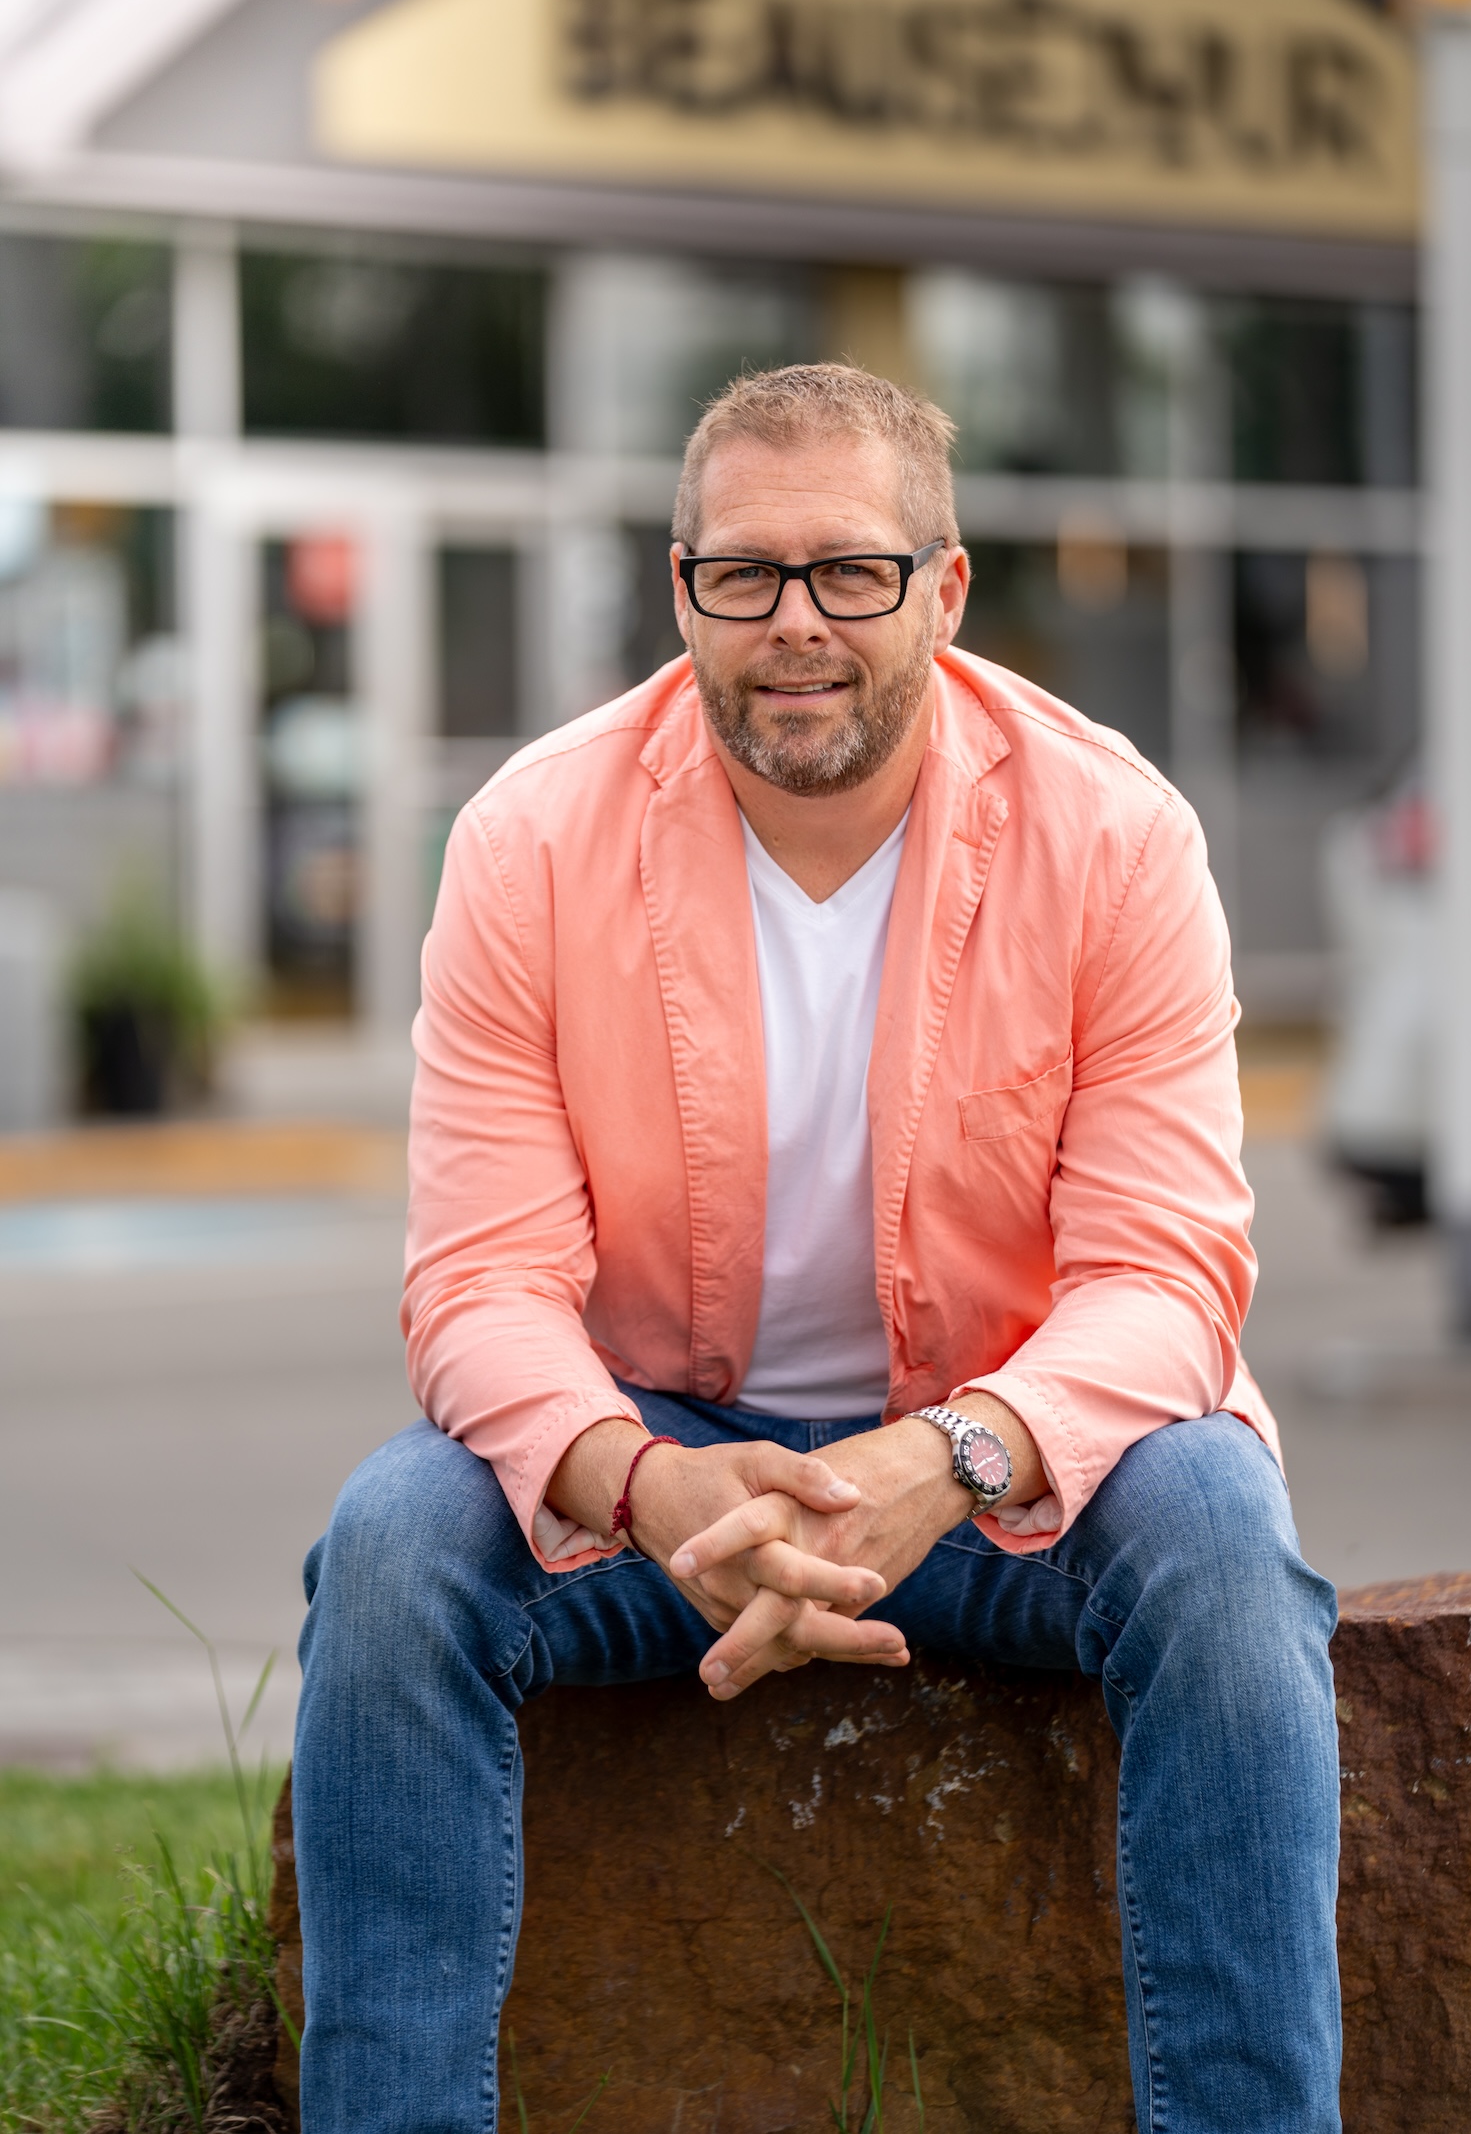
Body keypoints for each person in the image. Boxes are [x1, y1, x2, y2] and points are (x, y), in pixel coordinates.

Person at [294, 365, 1341, 2134]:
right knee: (395, 1548)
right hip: (664, 1463)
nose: (796, 626)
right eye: (745, 574)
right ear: (679, 585)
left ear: (942, 587)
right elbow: (477, 1279)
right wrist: (642, 1484)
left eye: (849, 572)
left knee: (1226, 1542)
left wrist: (947, 1455)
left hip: (1011, 1464)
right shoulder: (530, 841)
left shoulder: (1118, 836)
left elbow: (1168, 1277)